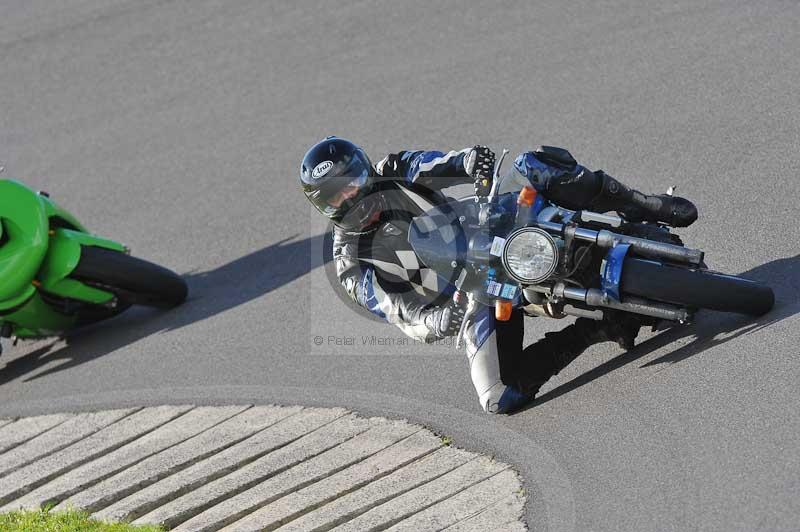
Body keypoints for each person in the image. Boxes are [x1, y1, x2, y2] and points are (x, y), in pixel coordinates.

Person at [300, 136, 697, 413]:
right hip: (469, 293)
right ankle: (596, 329)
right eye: (336, 196)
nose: (350, 197)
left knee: (535, 164)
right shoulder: (350, 263)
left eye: (351, 183)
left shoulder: (395, 169)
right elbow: (398, 311)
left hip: (488, 225)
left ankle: (642, 204)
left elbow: (443, 164)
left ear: (365, 170)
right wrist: (438, 320)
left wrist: (472, 163)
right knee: (498, 396)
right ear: (324, 206)